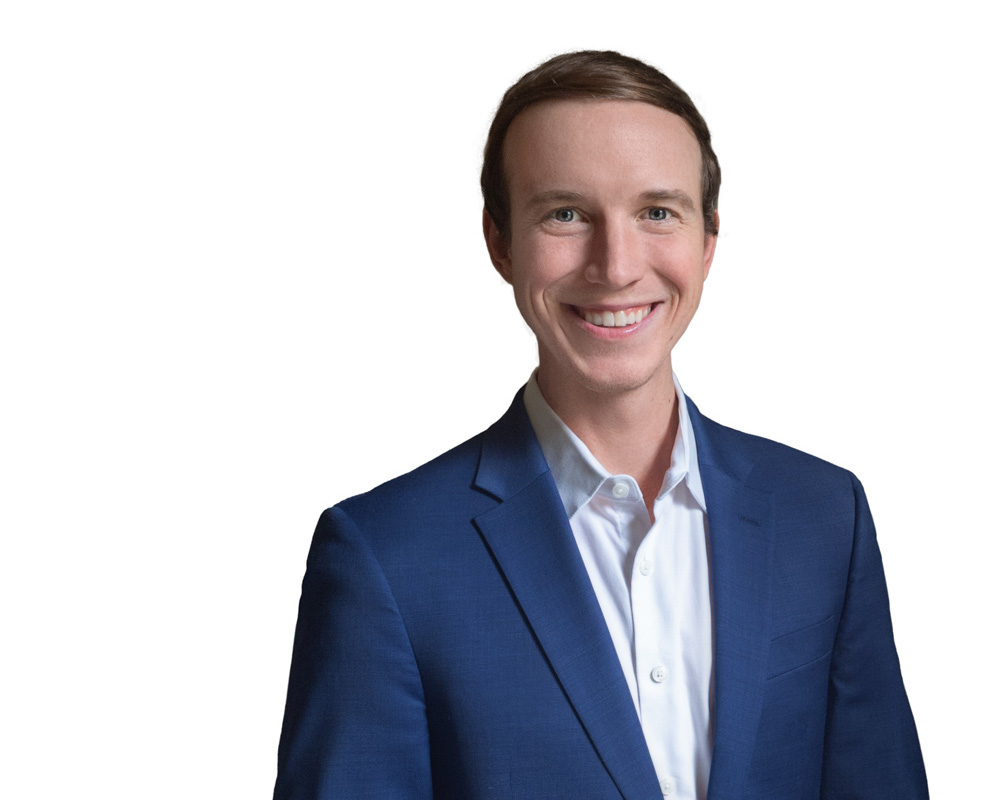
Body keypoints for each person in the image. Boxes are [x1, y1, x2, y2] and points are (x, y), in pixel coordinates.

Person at [273, 50, 928, 800]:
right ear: (500, 242)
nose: (616, 266)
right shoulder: (384, 556)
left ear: (708, 239)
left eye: (657, 212)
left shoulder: (823, 516)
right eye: (565, 213)